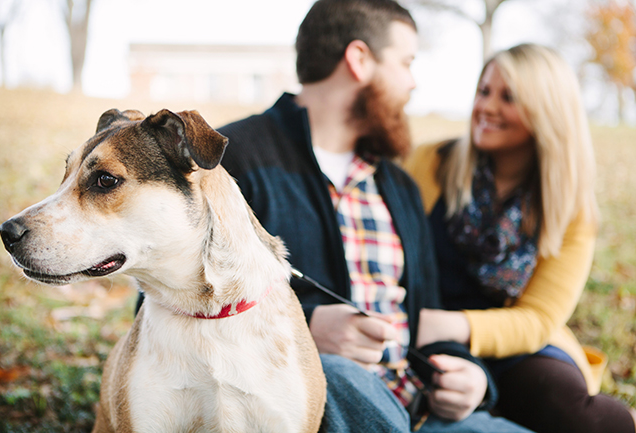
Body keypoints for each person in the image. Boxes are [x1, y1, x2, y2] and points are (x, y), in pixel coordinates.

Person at [219, 0, 532, 431]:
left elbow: (426, 315)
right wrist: (304, 328)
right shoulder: (232, 162)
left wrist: (469, 375)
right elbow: (164, 306)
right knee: (341, 376)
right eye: (406, 63)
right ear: (360, 60)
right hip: (304, 403)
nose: (412, 83)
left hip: (421, 411)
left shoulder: (399, 187)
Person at [405, 43, 636, 433]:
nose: (487, 107)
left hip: (511, 346)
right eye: (484, 91)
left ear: (546, 112)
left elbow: (538, 318)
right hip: (422, 334)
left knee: (592, 418)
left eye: (508, 97)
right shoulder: (431, 163)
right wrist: (421, 328)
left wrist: (447, 325)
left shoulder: (570, 208)